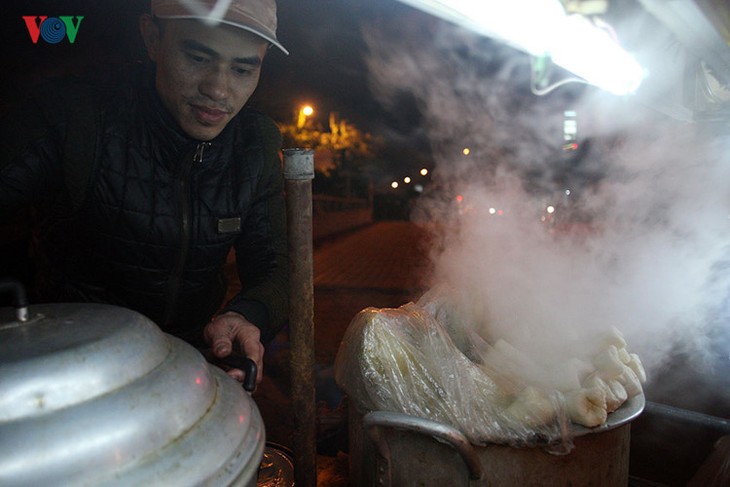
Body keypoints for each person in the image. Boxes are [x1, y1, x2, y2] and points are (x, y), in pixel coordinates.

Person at [0, 0, 290, 386]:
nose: (218, 90)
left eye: (242, 68)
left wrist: (248, 315)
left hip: (187, 365)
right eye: (198, 57)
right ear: (152, 38)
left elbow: (276, 265)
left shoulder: (255, 144)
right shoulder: (78, 115)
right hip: (62, 369)